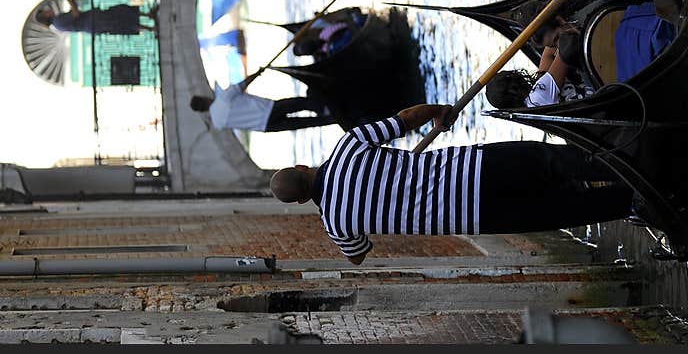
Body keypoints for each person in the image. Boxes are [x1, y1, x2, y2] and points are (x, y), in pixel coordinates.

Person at [270, 103, 632, 264]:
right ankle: (631, 165)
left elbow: (359, 257)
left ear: (302, 202)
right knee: (555, 163)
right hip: (474, 168)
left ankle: (637, 201)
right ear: (302, 167)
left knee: (566, 210)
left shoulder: (337, 224)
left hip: (480, 215)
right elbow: (404, 120)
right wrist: (438, 112)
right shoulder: (348, 146)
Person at [190, 69, 333, 132]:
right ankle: (326, 108)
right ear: (204, 99)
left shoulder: (218, 124)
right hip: (268, 109)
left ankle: (331, 119)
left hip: (265, 127)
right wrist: (258, 73)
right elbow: (243, 84)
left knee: (305, 123)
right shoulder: (223, 97)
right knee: (301, 103)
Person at [35, 0, 155, 35]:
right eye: (45, 12)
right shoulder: (58, 21)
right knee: (121, 17)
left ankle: (149, 23)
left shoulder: (57, 24)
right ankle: (149, 22)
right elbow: (75, 15)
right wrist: (71, 2)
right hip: (94, 21)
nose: (48, 10)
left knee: (121, 16)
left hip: (93, 23)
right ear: (45, 16)